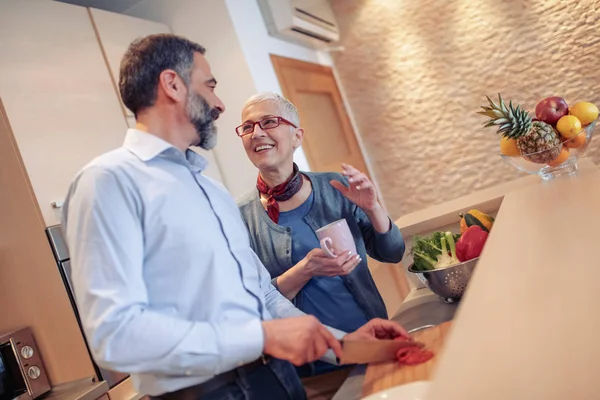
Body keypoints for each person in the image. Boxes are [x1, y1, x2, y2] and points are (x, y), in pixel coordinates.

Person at [61, 34, 408, 400]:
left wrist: (341, 344)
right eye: (209, 86)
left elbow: (261, 296)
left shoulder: (212, 192)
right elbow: (114, 337)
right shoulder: (107, 182)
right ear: (172, 84)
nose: (219, 104)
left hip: (277, 379)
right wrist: (263, 336)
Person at [236, 93, 406, 394]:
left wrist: (373, 208)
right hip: (312, 374)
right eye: (247, 127)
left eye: (269, 122)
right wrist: (305, 270)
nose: (257, 133)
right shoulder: (239, 217)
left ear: (297, 135)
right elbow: (253, 300)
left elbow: (392, 253)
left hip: (375, 347)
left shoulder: (334, 187)